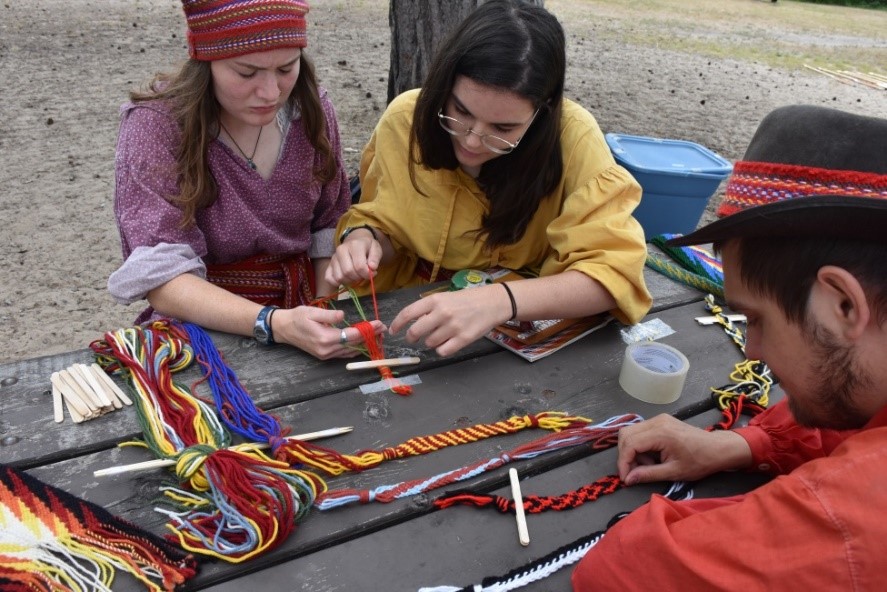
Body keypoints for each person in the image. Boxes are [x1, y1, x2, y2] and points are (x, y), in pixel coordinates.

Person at [572, 105, 887, 590]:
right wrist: (742, 442)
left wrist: (767, 516)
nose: (752, 350)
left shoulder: (853, 521)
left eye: (755, 319)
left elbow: (624, 570)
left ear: (843, 303)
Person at [325, 0, 652, 357]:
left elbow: (614, 276)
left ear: (541, 113)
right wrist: (364, 239)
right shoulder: (407, 119)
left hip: (516, 321)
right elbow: (385, 223)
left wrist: (498, 300)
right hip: (405, 321)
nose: (471, 140)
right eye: (460, 112)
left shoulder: (573, 139)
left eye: (503, 128)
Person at [108, 0, 383, 359]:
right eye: (246, 73)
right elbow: (163, 279)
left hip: (302, 319)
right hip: (201, 331)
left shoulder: (310, 109)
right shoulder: (156, 124)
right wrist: (274, 324)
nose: (270, 92)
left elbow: (328, 225)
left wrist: (323, 306)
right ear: (206, 61)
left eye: (286, 68)